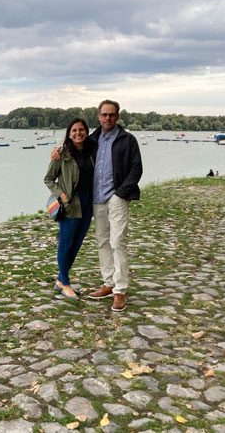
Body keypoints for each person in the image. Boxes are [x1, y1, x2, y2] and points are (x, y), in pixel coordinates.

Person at [51, 99, 143, 311]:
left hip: (117, 197)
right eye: (104, 114)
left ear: (117, 116)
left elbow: (136, 168)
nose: (107, 118)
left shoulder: (127, 140)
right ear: (99, 116)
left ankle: (120, 290)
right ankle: (108, 283)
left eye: (111, 115)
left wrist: (121, 193)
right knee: (102, 240)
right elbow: (74, 147)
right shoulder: (93, 139)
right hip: (96, 198)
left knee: (117, 241)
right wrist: (57, 152)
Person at [44, 118, 95, 299]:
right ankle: (65, 283)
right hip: (70, 205)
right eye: (74, 130)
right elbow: (48, 178)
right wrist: (62, 195)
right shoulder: (62, 154)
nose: (78, 133)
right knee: (66, 243)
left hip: (88, 203)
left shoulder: (92, 151)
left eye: (81, 130)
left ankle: (60, 279)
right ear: (69, 133)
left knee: (77, 243)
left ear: (86, 132)